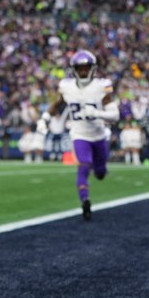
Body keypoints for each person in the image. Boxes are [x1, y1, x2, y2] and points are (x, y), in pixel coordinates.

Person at [45, 50, 119, 220]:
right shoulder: (66, 87)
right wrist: (45, 118)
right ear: (74, 70)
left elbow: (115, 115)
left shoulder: (101, 86)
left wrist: (97, 113)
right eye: (80, 69)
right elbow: (57, 103)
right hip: (79, 134)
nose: (83, 72)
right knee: (83, 165)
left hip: (99, 135)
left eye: (86, 68)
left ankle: (100, 170)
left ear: (93, 69)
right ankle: (85, 201)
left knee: (100, 173)